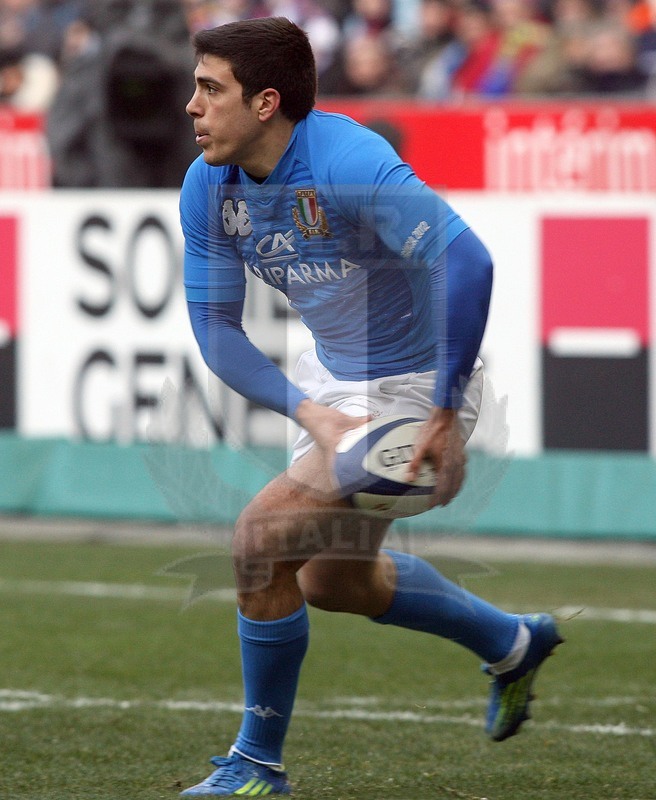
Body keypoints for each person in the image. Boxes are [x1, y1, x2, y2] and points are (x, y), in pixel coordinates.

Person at [179, 17, 563, 797]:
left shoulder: (348, 160)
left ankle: (256, 765)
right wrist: (308, 411)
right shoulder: (208, 186)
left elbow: (468, 259)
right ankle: (514, 643)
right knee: (331, 583)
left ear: (265, 104)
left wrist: (446, 410)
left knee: (259, 540)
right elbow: (216, 329)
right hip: (332, 380)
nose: (192, 105)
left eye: (210, 88)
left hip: (416, 388)